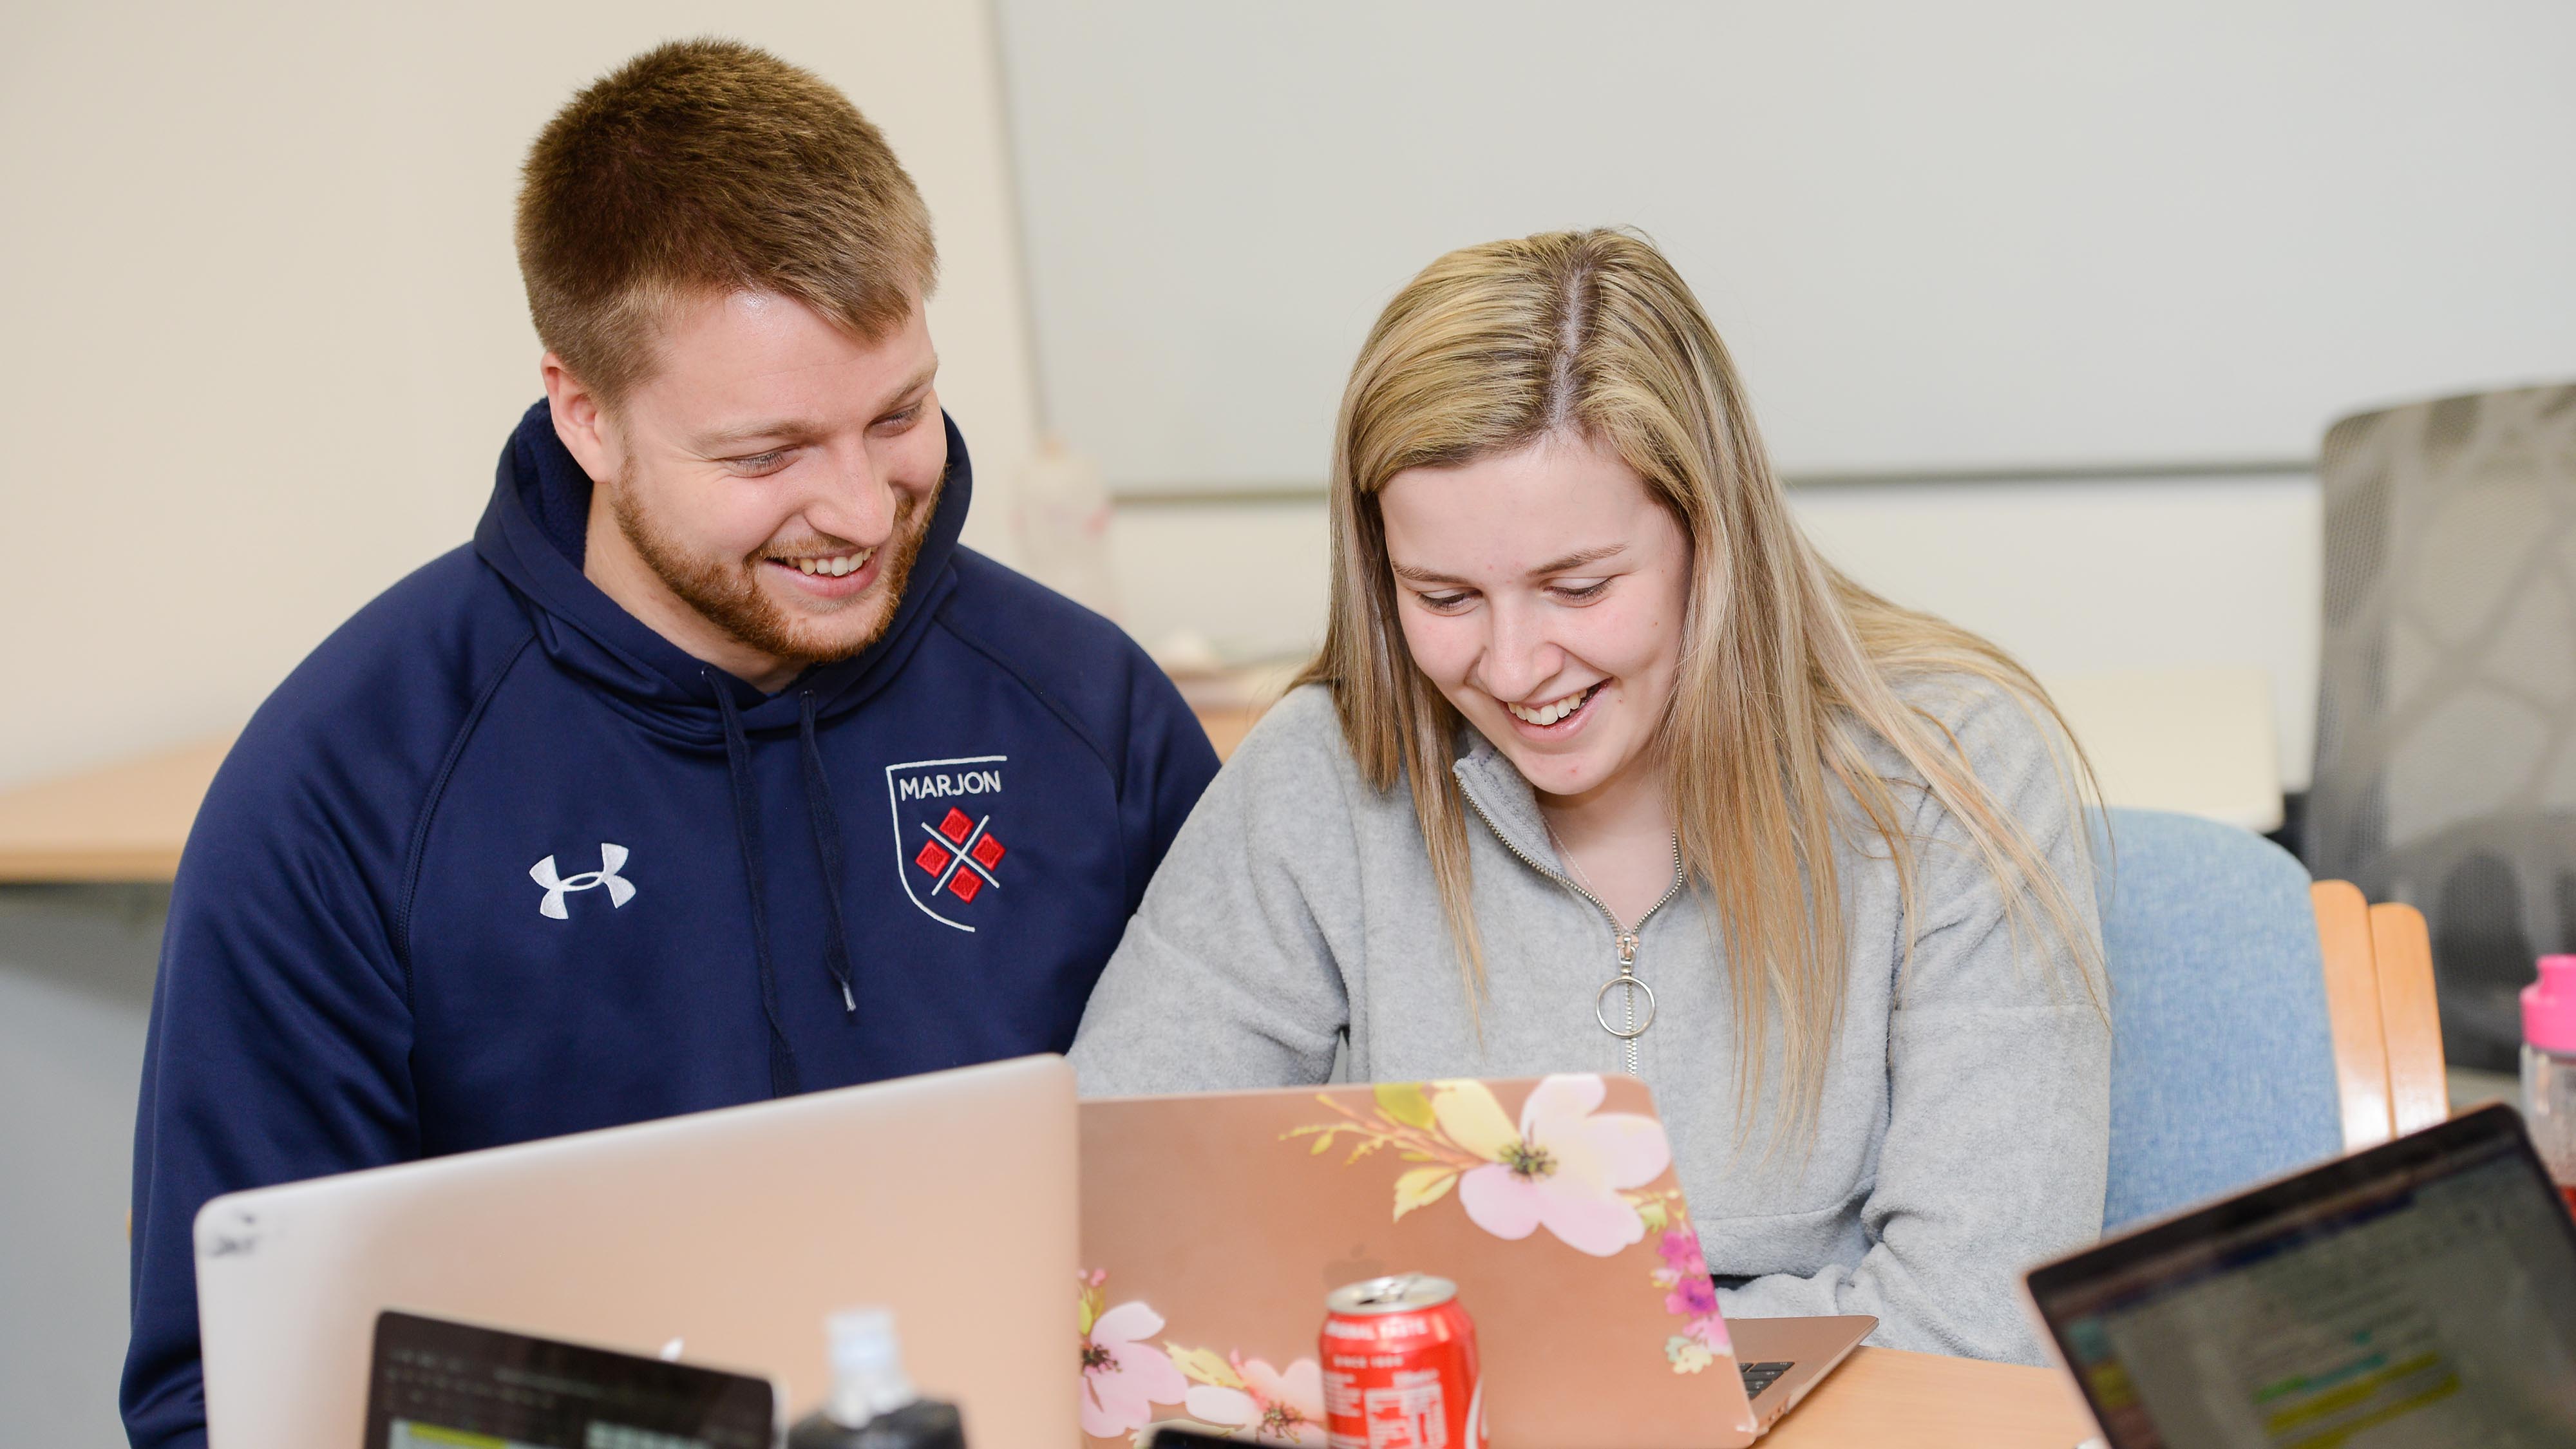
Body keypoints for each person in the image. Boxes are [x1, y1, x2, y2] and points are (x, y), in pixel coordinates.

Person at [122, 41, 1218, 1446]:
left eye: (896, 415)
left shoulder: (1087, 711)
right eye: (765, 456)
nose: (860, 511)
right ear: (585, 412)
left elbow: (1237, 1217)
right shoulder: (344, 791)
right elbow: (222, 1388)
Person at [1069, 229, 2108, 1364]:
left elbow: (1977, 1327)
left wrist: (1485, 1348)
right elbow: (1100, 1222)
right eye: (1445, 595)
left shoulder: (1952, 771)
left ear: (1711, 538)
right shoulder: (1315, 780)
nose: (1513, 669)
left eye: (1578, 587)